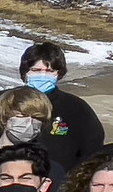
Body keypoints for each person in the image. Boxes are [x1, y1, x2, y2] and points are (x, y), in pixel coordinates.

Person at [19, 43, 105, 173]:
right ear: (25, 72)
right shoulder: (5, 102)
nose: (43, 75)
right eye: (36, 70)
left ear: (58, 74)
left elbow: (93, 150)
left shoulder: (76, 108)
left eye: (49, 71)